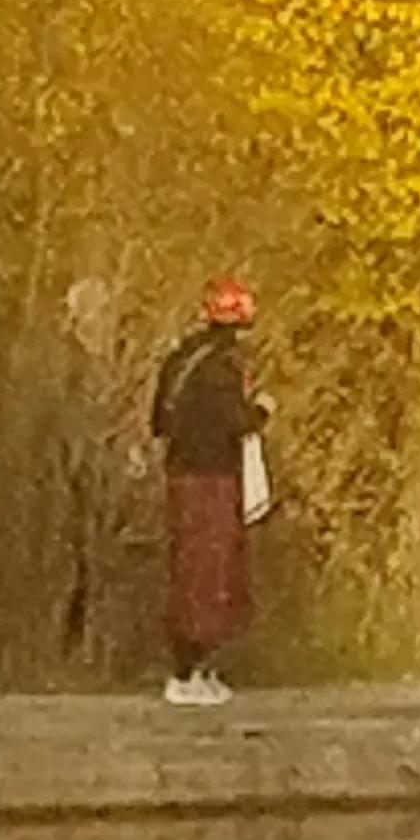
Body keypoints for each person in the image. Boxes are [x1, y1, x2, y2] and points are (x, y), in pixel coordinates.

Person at [146, 277, 269, 706]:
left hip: (180, 473)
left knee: (192, 568)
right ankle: (189, 671)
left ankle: (198, 667)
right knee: (212, 572)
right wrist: (262, 412)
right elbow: (236, 422)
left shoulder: (181, 359)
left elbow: (157, 421)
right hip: (213, 475)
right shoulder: (223, 368)